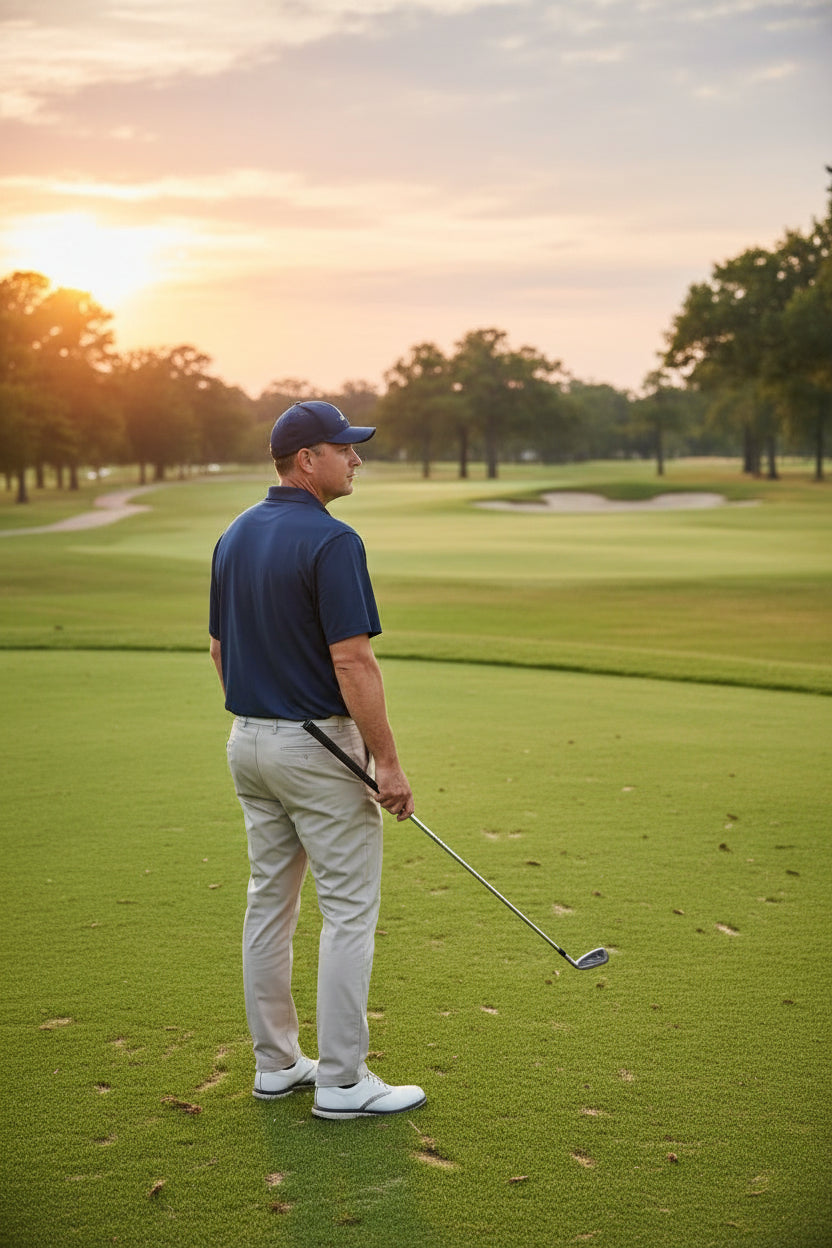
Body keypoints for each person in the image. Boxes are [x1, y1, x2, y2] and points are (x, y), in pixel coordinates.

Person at [209, 400, 426, 1120]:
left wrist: (259, 716)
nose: (356, 459)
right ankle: (340, 1082)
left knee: (268, 904)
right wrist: (386, 763)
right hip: (319, 746)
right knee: (349, 913)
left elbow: (219, 649)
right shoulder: (334, 542)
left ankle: (277, 1066)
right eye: (345, 449)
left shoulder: (235, 533)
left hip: (250, 740)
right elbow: (353, 660)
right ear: (308, 459)